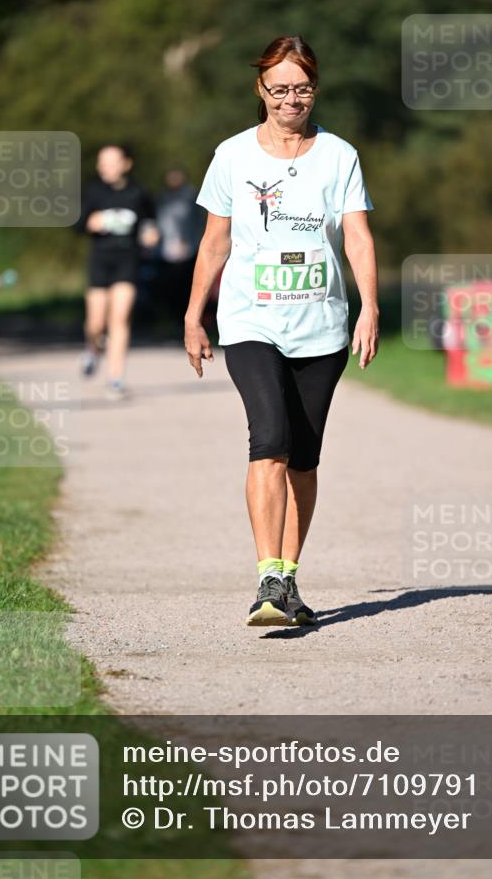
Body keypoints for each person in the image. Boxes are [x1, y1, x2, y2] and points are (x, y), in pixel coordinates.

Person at [184, 35, 379, 628]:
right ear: (260, 90)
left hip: (320, 322)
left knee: (304, 457)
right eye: (280, 89)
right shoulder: (233, 155)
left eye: (302, 87)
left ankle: (287, 581)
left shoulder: (339, 155)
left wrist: (368, 306)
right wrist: (195, 313)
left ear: (314, 88)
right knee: (268, 436)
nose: (291, 99)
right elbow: (215, 240)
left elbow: (357, 236)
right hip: (250, 319)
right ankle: (267, 575)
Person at [76, 144, 159, 400]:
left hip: (127, 262)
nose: (106, 167)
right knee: (96, 323)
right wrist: (91, 223)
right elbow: (78, 224)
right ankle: (93, 348)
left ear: (126, 164)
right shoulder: (93, 191)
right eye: (102, 163)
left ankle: (115, 380)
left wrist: (152, 235)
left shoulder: (138, 192)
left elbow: (150, 224)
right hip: (100, 261)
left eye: (111, 162)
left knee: (120, 320)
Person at [154, 167, 205, 331]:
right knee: (168, 287)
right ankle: (172, 319)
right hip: (165, 249)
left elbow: (199, 222)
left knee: (186, 286)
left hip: (188, 248)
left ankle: (186, 321)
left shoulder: (192, 196)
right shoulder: (162, 197)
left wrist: (195, 242)